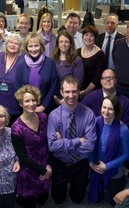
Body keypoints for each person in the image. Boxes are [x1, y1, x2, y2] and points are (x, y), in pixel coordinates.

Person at [47, 76, 97, 204]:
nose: (71, 95)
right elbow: (52, 146)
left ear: (79, 91)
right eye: (67, 92)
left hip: (80, 164)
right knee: (58, 200)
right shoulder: (54, 115)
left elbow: (90, 145)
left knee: (78, 199)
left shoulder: (89, 113)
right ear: (62, 92)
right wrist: (78, 140)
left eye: (74, 91)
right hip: (60, 163)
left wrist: (62, 143)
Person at [11, 85, 52, 208]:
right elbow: (22, 157)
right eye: (27, 101)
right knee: (30, 204)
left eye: (34, 100)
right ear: (20, 103)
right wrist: (44, 171)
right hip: (29, 167)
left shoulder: (44, 117)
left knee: (42, 200)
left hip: (45, 162)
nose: (31, 103)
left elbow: (49, 143)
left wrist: (49, 166)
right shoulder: (16, 127)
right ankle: (20, 196)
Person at [88, 95, 129, 206]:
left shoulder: (123, 129)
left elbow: (125, 154)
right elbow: (89, 145)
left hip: (114, 169)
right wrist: (91, 163)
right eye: (104, 107)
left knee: (112, 202)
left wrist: (106, 166)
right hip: (96, 165)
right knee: (95, 197)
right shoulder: (95, 122)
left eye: (110, 109)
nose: (106, 111)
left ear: (116, 111)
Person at [15, 32, 58, 114]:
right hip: (26, 109)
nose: (33, 49)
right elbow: (17, 87)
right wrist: (26, 105)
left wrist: (43, 106)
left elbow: (53, 86)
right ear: (26, 48)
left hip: (46, 109)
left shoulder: (50, 63)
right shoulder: (21, 64)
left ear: (41, 46)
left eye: (36, 45)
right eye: (30, 46)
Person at [0, 34, 24, 125]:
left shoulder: (23, 60)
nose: (13, 45)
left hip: (15, 106)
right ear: (6, 44)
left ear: (20, 47)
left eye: (16, 44)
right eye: (11, 42)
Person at [52, 30, 84, 105]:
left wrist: (65, 99)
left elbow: (78, 83)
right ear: (57, 43)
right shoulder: (52, 59)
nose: (64, 44)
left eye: (66, 42)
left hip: (70, 99)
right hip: (53, 99)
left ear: (70, 44)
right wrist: (53, 97)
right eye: (61, 41)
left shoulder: (77, 60)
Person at [78, 25, 107, 97]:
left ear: (95, 38)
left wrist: (85, 92)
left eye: (91, 36)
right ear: (82, 37)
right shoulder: (77, 51)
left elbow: (97, 78)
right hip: (78, 90)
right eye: (86, 35)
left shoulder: (100, 55)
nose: (88, 38)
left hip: (93, 91)